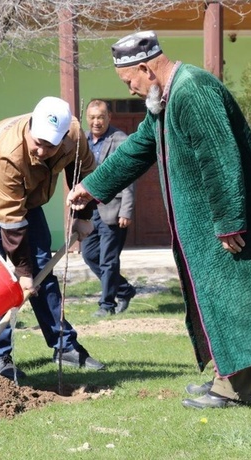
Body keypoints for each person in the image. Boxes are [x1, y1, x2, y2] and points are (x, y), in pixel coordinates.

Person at [67, 31, 251, 408]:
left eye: (130, 82)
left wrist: (229, 221)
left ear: (145, 67)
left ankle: (232, 391)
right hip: (216, 221)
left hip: (239, 218)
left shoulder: (192, 89)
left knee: (237, 300)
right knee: (220, 298)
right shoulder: (165, 98)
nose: (133, 89)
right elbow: (140, 148)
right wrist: (92, 186)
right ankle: (224, 375)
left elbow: (219, 159)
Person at [0, 96, 105, 379]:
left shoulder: (74, 135)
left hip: (27, 193)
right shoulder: (9, 152)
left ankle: (64, 345)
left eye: (49, 145)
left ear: (64, 138)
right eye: (37, 141)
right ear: (30, 127)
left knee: (43, 266)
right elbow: (11, 219)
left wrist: (84, 215)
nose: (40, 150)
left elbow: (86, 174)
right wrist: (22, 272)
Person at [82, 99, 137, 317]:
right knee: (89, 255)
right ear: (87, 118)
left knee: (108, 259)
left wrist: (126, 210)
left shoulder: (120, 140)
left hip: (113, 208)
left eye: (101, 117)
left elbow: (129, 177)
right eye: (93, 117)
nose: (96, 122)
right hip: (89, 210)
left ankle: (107, 305)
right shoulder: (83, 141)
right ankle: (124, 289)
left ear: (109, 118)